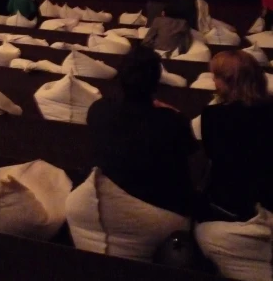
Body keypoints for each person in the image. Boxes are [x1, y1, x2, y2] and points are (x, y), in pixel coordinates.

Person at [87, 46, 197, 218]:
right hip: (156, 207)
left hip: (101, 199)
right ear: (156, 82)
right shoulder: (172, 121)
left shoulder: (98, 109)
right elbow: (191, 152)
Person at [195, 51, 273, 281]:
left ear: (229, 82)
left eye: (216, 76)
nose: (213, 81)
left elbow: (213, 155)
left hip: (230, 202)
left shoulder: (213, 116)